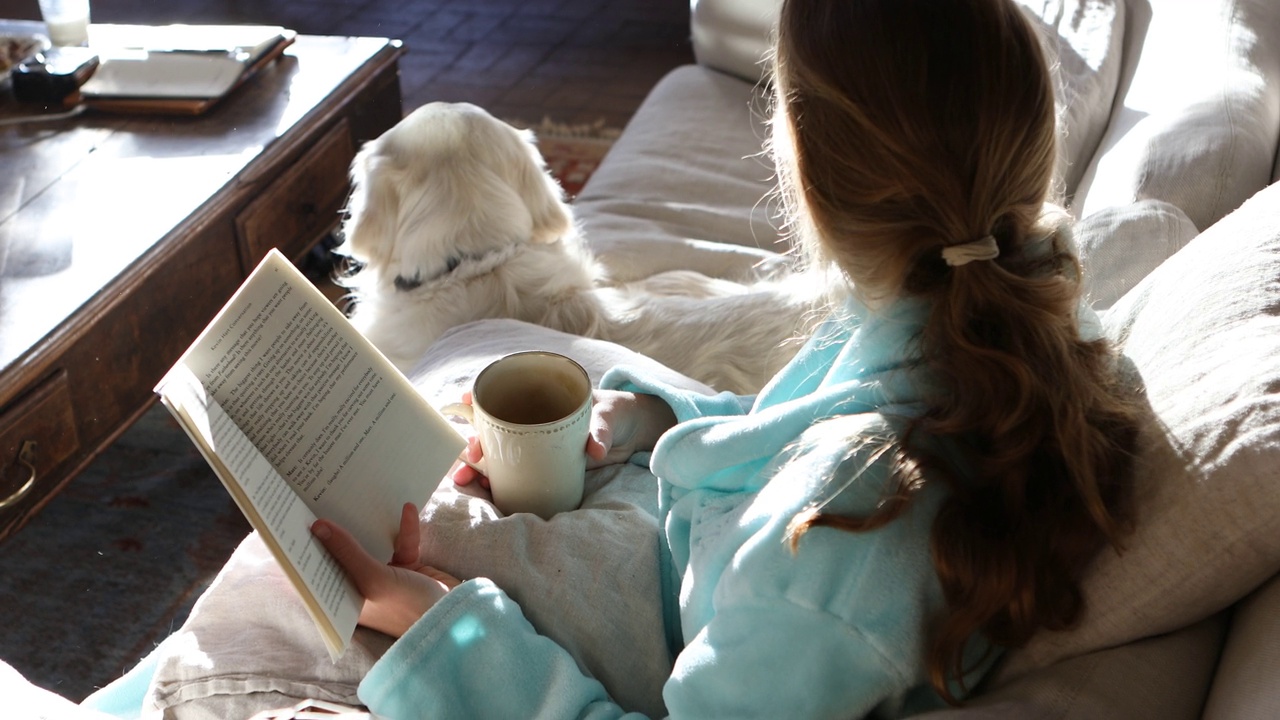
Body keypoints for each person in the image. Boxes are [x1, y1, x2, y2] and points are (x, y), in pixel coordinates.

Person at [310, 0, 1142, 716]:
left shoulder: (839, 545)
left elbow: (829, 503)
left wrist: (445, 628)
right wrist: (664, 416)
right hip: (708, 548)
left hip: (645, 630)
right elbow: (828, 425)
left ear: (805, 178)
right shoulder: (1010, 315)